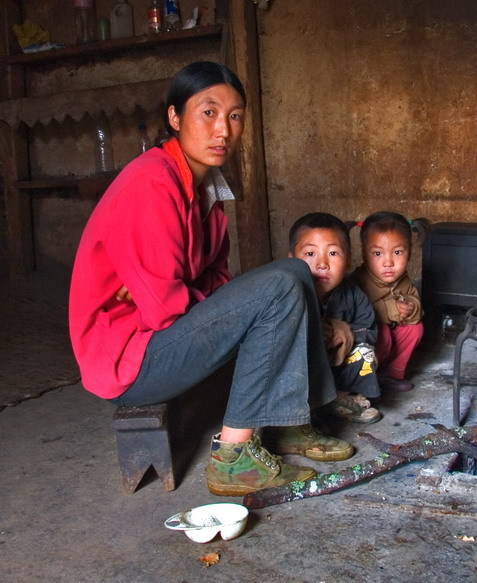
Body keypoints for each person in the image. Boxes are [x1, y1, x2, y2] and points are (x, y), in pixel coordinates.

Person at [68, 61, 353, 498]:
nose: (223, 129)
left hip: (161, 333)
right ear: (175, 118)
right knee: (278, 288)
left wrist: (181, 286)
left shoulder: (210, 192)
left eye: (235, 116)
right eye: (208, 112)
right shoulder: (152, 182)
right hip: (132, 357)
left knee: (294, 271)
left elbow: (212, 283)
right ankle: (234, 461)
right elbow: (166, 309)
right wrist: (182, 290)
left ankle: (291, 422)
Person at [287, 212, 382, 424]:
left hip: (339, 366)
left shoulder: (353, 295)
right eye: (310, 253)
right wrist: (313, 332)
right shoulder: (289, 295)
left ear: (348, 261)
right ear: (291, 260)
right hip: (305, 373)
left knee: (365, 353)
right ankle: (309, 404)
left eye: (332, 253)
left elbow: (370, 329)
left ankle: (344, 396)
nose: (322, 263)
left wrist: (345, 333)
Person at [351, 211, 431, 392]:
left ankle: (391, 374)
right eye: (378, 253)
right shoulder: (358, 282)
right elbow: (357, 315)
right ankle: (366, 378)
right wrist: (389, 310)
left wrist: (411, 307)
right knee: (383, 332)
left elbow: (417, 307)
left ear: (409, 252)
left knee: (415, 328)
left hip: (388, 346)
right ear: (364, 253)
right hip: (366, 348)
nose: (388, 262)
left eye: (397, 252)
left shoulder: (403, 279)